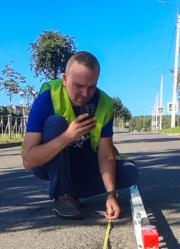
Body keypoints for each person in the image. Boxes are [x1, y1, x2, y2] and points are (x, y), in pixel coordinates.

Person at [21, 51, 138, 220]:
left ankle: (71, 192)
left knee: (129, 173)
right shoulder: (48, 98)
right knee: (55, 122)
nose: (84, 94)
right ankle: (62, 196)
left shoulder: (104, 103)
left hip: (84, 161)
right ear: (65, 79)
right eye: (79, 86)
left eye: (91, 87)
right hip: (50, 163)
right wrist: (68, 136)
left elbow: (106, 154)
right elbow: (29, 161)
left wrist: (111, 194)